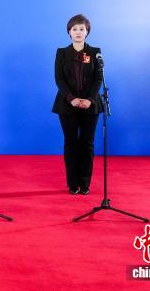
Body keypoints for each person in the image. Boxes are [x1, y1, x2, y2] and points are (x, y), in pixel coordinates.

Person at [52, 14, 103, 195]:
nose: (78, 32)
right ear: (69, 32)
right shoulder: (62, 53)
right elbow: (59, 79)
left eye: (82, 29)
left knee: (87, 144)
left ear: (87, 31)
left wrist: (89, 99)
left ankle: (85, 183)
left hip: (91, 104)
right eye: (74, 29)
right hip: (67, 104)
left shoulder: (95, 52)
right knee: (71, 143)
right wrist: (71, 98)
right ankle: (73, 184)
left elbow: (98, 79)